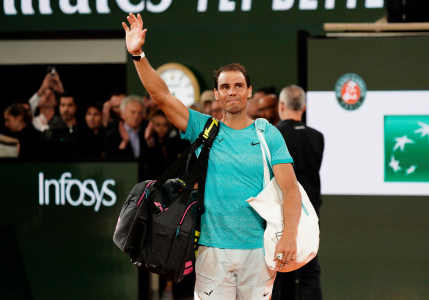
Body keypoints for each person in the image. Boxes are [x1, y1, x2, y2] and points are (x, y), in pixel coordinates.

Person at [122, 13, 302, 299]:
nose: (232, 92)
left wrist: (290, 234)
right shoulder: (204, 128)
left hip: (259, 250)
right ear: (217, 94)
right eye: (226, 87)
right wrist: (138, 55)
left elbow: (290, 188)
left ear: (249, 91)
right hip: (211, 251)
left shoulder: (267, 134)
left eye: (239, 86)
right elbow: (163, 96)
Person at [273, 85, 324, 300]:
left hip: (280, 213)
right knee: (309, 272)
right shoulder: (317, 137)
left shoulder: (274, 135)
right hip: (310, 212)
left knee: (277, 271)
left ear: (281, 106)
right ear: (304, 107)